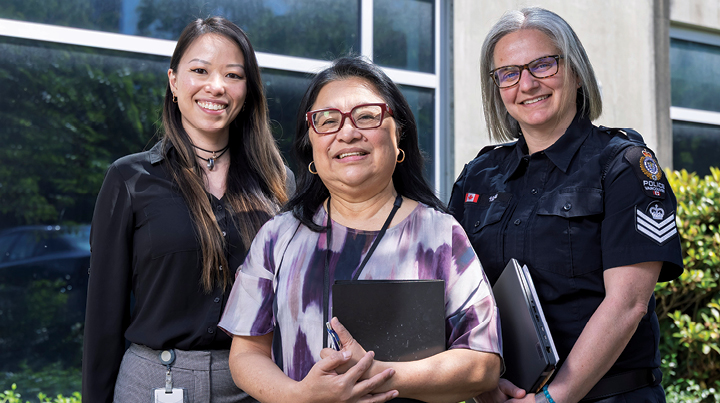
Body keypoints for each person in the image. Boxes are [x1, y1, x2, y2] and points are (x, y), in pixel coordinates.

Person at [217, 55, 502, 403]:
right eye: (328, 120)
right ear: (312, 146)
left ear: (399, 138)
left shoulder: (442, 236)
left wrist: (376, 374)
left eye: (366, 116)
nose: (348, 133)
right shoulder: (278, 236)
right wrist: (302, 396)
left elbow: (483, 364)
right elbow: (245, 354)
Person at [448, 7, 684, 403]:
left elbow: (627, 304)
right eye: (509, 73)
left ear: (574, 70)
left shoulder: (623, 165)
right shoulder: (478, 175)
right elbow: (455, 296)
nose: (527, 83)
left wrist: (554, 398)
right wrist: (485, 386)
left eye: (542, 64)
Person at [82, 17, 292, 403]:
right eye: (199, 70)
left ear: (247, 90)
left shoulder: (278, 184)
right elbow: (103, 318)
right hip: (150, 384)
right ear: (174, 81)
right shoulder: (129, 179)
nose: (216, 86)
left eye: (233, 75)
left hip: (252, 386)